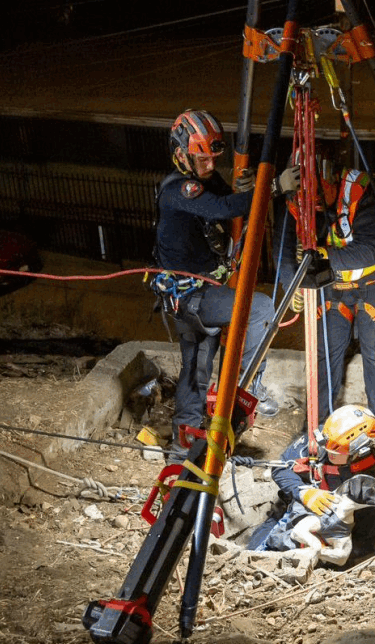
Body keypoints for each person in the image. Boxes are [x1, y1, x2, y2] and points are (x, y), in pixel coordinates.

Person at [153, 109, 278, 460]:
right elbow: (223, 208)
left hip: (199, 294)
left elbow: (228, 196)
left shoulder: (201, 179)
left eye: (213, 158)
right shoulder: (178, 190)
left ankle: (183, 448)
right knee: (262, 307)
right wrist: (273, 188)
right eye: (202, 158)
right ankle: (246, 388)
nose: (209, 165)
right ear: (181, 155)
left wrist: (248, 187)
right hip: (192, 297)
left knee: (195, 370)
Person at [276, 152, 375, 450]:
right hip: (334, 283)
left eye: (320, 198)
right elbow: (282, 247)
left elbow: (369, 252)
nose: (316, 206)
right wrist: (290, 284)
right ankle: (318, 422)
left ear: (332, 178)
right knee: (325, 349)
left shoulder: (362, 190)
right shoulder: (293, 197)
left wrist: (319, 257)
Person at [247, 404, 375, 566]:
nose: (328, 453)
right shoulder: (323, 439)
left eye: (336, 453)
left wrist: (327, 552)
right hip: (288, 513)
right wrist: (303, 493)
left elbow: (366, 542)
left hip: (328, 535)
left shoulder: (366, 487)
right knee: (250, 559)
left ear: (358, 453)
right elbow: (280, 469)